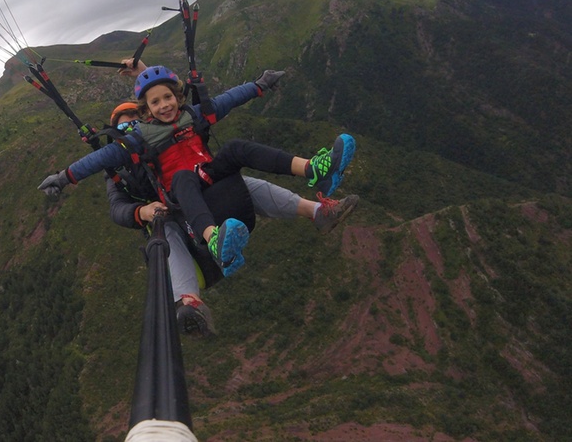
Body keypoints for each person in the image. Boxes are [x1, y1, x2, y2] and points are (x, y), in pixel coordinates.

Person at [39, 65, 357, 282]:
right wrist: (65, 177)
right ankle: (213, 240)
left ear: (175, 99)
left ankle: (315, 169)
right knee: (182, 178)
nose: (164, 105)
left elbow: (227, 99)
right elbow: (101, 160)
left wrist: (259, 86)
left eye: (168, 98)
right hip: (184, 195)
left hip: (210, 177)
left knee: (235, 148)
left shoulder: (191, 115)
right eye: (155, 102)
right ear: (146, 111)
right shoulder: (136, 142)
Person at [107, 101, 358, 336]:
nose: (130, 129)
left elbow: (165, 101)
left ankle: (318, 212)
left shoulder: (160, 141)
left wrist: (144, 74)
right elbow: (117, 208)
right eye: (123, 126)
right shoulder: (120, 173)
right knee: (164, 230)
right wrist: (142, 211)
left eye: (135, 122)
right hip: (180, 227)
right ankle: (189, 303)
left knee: (241, 183)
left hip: (202, 201)